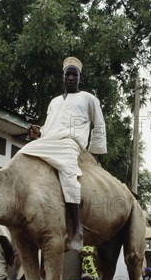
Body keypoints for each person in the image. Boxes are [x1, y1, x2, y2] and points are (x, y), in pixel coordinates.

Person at [20, 56, 107, 251]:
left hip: (71, 143)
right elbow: (51, 126)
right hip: (48, 141)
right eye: (67, 74)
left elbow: (99, 125)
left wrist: (93, 154)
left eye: (74, 74)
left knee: (68, 173)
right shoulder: (54, 102)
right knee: (23, 153)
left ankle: (77, 229)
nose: (70, 78)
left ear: (79, 78)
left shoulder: (89, 98)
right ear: (63, 77)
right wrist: (39, 132)